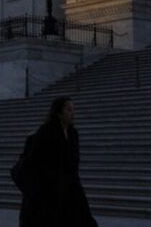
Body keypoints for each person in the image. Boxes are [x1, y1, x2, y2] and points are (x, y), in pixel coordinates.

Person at [16, 97, 98, 227]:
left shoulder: (73, 134)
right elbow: (35, 161)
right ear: (59, 113)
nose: (72, 113)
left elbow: (73, 163)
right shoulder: (46, 132)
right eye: (68, 109)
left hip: (70, 187)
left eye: (73, 109)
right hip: (49, 190)